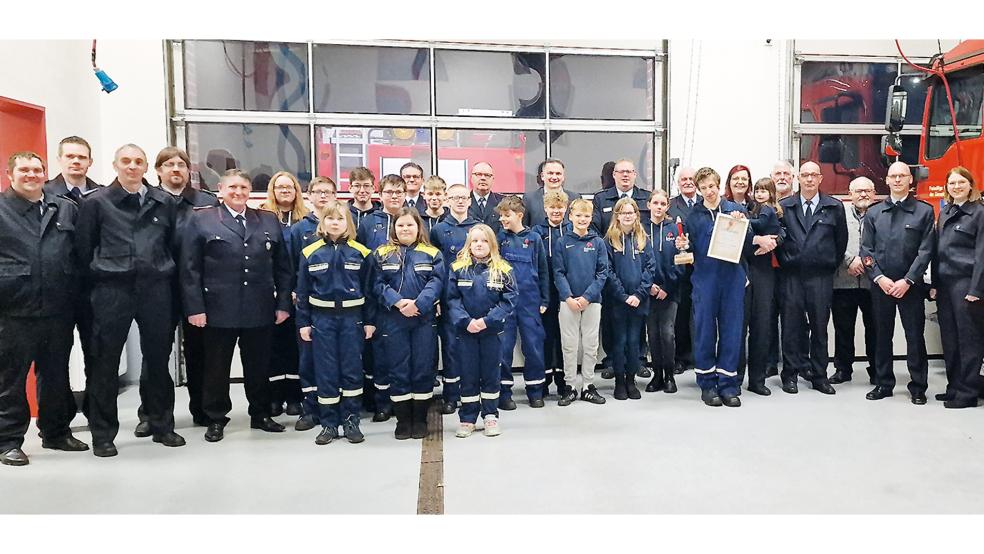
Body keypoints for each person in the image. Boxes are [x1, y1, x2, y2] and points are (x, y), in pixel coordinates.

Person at [75, 144, 184, 456]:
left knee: (159, 360)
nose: (132, 166)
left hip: (155, 288)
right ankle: (103, 434)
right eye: (126, 161)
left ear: (147, 166)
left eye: (138, 161)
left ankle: (162, 425)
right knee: (104, 362)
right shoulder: (96, 203)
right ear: (114, 165)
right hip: (112, 289)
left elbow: (172, 244)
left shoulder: (163, 202)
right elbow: (84, 249)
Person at [181, 169, 293, 442]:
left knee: (259, 366)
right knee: (216, 367)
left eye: (243, 187)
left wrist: (282, 305)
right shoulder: (201, 219)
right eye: (232, 187)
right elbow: (190, 269)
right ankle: (216, 417)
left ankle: (261, 413)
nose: (238, 192)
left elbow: (283, 269)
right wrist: (195, 308)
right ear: (221, 189)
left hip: (259, 306)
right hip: (218, 308)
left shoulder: (267, 220)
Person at [0, 152, 89, 466]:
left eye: (37, 170)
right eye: (24, 170)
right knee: (10, 379)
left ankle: (55, 432)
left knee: (55, 376)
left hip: (57, 307)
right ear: (10, 174)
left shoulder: (63, 207)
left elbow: (79, 255)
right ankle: (8, 441)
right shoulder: (2, 209)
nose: (32, 175)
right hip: (13, 310)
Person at [133, 147, 219, 435]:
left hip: (199, 288)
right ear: (157, 171)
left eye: (181, 164)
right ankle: (151, 414)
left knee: (201, 352)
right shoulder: (148, 201)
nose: (175, 169)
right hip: (159, 288)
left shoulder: (206, 202)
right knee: (156, 353)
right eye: (168, 164)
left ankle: (204, 410)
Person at [676, 167, 777, 407]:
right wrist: (681, 244)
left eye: (712, 186)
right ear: (698, 191)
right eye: (703, 188)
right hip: (705, 280)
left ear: (719, 186)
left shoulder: (736, 211)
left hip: (732, 278)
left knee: (733, 332)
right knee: (704, 332)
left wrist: (749, 231)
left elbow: (748, 247)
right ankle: (708, 384)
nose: (709, 191)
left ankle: (729, 384)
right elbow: (686, 250)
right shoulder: (694, 216)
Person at [296, 201, 375, 444]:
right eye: (330, 218)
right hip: (322, 319)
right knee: (326, 371)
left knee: (352, 370)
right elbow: (302, 292)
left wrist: (369, 322)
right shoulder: (310, 252)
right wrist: (304, 322)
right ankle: (329, 423)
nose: (335, 223)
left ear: (348, 223)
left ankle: (351, 420)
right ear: (323, 222)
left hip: (352, 320)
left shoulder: (361, 253)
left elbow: (370, 291)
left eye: (340, 219)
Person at [859, 161, 936, 404]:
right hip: (881, 286)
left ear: (910, 180)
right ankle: (883, 384)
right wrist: (879, 278)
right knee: (882, 336)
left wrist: (908, 280)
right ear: (887, 180)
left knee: (915, 337)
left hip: (910, 287)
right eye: (893, 176)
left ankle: (918, 386)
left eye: (902, 176)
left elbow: (925, 252)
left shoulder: (924, 211)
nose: (898, 180)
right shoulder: (873, 213)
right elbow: (866, 251)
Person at [369, 208, 444, 440]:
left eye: (409, 225)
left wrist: (419, 304)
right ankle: (403, 421)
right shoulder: (382, 253)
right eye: (400, 225)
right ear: (394, 228)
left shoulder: (432, 253)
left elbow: (437, 281)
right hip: (393, 319)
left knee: (422, 368)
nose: (405, 229)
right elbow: (377, 284)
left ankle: (420, 419)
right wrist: (399, 302)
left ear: (418, 227)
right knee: (398, 368)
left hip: (423, 319)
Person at [43, 136, 103, 418]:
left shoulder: (103, 195)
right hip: (58, 291)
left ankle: (97, 412)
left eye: (81, 157)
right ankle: (57, 421)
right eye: (70, 156)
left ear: (90, 162)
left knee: (99, 354)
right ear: (60, 159)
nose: (76, 161)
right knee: (54, 358)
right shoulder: (43, 195)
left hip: (96, 289)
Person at [776, 161, 846, 396]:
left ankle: (819, 376)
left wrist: (826, 264)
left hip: (820, 277)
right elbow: (777, 241)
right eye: (804, 175)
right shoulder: (785, 206)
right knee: (791, 328)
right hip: (792, 276)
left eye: (813, 175)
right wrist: (788, 260)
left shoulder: (834, 207)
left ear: (820, 178)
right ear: (798, 178)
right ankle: (790, 375)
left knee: (819, 327)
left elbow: (840, 243)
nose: (808, 179)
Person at [447, 224, 517, 438]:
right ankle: (467, 418)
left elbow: (509, 300)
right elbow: (452, 299)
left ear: (492, 244)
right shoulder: (458, 268)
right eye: (475, 240)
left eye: (484, 240)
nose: (479, 244)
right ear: (469, 244)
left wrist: (487, 321)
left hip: (491, 333)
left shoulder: (503, 269)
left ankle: (490, 415)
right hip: (466, 332)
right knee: (468, 374)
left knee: (491, 374)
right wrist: (465, 321)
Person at [592, 158, 652, 381]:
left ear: (635, 174)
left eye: (629, 172)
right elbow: (596, 231)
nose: (625, 175)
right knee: (611, 323)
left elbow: (646, 235)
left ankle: (638, 361)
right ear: (614, 175)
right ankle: (611, 361)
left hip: (638, 271)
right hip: (612, 271)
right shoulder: (601, 198)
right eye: (620, 172)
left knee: (638, 325)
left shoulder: (645, 198)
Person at [287, 176, 339, 432]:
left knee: (337, 360)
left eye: (328, 192)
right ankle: (310, 409)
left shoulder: (343, 229)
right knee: (308, 358)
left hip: (341, 310)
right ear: (308, 195)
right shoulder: (299, 229)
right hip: (310, 307)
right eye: (318, 192)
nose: (323, 196)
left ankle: (337, 407)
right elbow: (288, 267)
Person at [357, 174, 408, 421]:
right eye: (389, 192)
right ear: (380, 195)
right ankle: (381, 403)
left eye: (399, 192)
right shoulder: (368, 223)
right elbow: (363, 263)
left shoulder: (413, 220)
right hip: (377, 299)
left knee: (405, 353)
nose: (394, 196)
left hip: (408, 300)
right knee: (379, 353)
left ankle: (404, 401)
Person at [932, 166, 984, 409]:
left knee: (969, 341)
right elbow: (937, 251)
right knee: (950, 339)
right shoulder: (945, 213)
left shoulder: (979, 214)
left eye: (961, 183)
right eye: (952, 183)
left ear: (970, 186)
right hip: (945, 284)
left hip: (966, 285)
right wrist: (933, 284)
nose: (956, 187)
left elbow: (982, 255)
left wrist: (976, 289)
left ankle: (968, 393)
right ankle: (953, 387)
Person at [260, 171, 310, 417]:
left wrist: (296, 289)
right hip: (270, 290)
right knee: (271, 345)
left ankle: (294, 396)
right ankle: (273, 396)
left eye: (289, 187)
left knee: (294, 345)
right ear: (273, 190)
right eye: (280, 187)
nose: (285, 191)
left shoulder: (306, 220)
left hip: (297, 292)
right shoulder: (261, 217)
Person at [430, 184, 482, 414]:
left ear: (470, 201)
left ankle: (472, 393)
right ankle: (451, 395)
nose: (460, 201)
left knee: (473, 348)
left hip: (475, 296)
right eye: (454, 198)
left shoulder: (479, 229)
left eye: (463, 197)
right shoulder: (439, 230)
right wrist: (437, 299)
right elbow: (435, 268)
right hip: (449, 297)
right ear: (447, 201)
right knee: (451, 347)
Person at [553, 198, 608, 406]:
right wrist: (568, 297)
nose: (582, 219)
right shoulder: (562, 242)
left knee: (590, 344)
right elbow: (558, 272)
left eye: (586, 216)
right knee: (569, 345)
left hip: (592, 301)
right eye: (578, 215)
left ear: (591, 217)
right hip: (567, 302)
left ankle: (588, 385)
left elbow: (602, 273)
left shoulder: (598, 242)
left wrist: (587, 297)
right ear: (570, 216)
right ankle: (570, 386)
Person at [496, 196, 549, 409]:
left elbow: (543, 271)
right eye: (500, 216)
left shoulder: (534, 238)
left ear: (519, 215)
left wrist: (544, 298)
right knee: (503, 348)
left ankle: (535, 390)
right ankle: (504, 393)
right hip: (505, 302)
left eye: (506, 215)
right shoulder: (499, 239)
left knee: (534, 346)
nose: (502, 219)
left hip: (530, 301)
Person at [604, 197, 655, 401]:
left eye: (631, 212)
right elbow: (607, 271)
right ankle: (619, 381)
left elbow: (650, 269)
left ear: (636, 215)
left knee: (634, 342)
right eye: (623, 212)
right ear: (617, 216)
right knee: (619, 342)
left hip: (639, 302)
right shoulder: (609, 240)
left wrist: (639, 295)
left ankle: (631, 380)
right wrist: (623, 296)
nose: (627, 216)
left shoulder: (643, 239)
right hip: (617, 302)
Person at [830, 176, 878, 385]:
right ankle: (843, 369)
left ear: (874, 193)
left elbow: (886, 245)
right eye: (858, 191)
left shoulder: (881, 215)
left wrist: (867, 262)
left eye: (867, 190)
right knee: (843, 328)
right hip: (843, 280)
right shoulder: (838, 214)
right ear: (850, 194)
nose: (863, 195)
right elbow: (831, 242)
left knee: (875, 329)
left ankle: (877, 369)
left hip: (873, 282)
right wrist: (849, 260)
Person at [742, 177, 785, 395]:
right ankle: (736, 377)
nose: (759, 194)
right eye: (757, 190)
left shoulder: (768, 210)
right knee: (739, 328)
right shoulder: (748, 208)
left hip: (764, 270)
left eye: (763, 190)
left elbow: (780, 232)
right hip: (742, 270)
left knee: (761, 326)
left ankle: (757, 380)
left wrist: (744, 223)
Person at [531, 190, 572, 396]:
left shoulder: (573, 229)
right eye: (552, 207)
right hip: (545, 292)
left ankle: (564, 379)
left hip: (567, 292)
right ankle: (545, 378)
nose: (556, 211)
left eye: (560, 207)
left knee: (564, 336)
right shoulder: (537, 232)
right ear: (545, 209)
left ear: (566, 209)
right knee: (546, 336)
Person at [644, 189, 683, 394]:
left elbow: (682, 260)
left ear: (667, 207)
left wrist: (667, 287)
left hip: (670, 291)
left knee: (667, 333)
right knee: (652, 334)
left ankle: (669, 375)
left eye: (663, 204)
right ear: (649, 204)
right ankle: (656, 375)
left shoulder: (675, 229)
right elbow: (638, 260)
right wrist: (647, 286)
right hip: (648, 291)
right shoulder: (640, 229)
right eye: (655, 203)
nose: (659, 207)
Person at [667, 166, 699, 377]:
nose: (687, 182)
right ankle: (681, 358)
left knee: (701, 315)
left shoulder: (707, 203)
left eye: (691, 179)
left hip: (703, 267)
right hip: (680, 268)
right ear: (678, 183)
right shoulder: (671, 205)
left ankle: (699, 356)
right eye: (683, 179)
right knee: (681, 315)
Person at [523, 158, 570, 228]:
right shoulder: (529, 199)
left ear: (563, 177)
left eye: (558, 173)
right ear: (542, 176)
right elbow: (524, 228)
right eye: (550, 173)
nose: (554, 177)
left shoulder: (574, 198)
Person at [467, 162, 505, 232]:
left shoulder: (503, 202)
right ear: (471, 178)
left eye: (487, 175)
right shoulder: (463, 201)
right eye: (478, 174)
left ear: (493, 179)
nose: (483, 178)